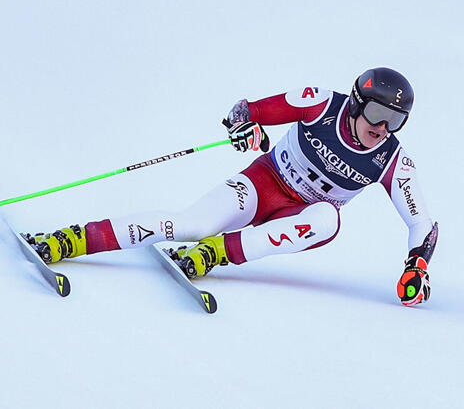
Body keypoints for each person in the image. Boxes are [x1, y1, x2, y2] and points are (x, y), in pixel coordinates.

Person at [29, 67, 438, 306]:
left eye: (396, 120)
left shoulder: (392, 159)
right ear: (356, 103)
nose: (383, 128)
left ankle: (215, 253)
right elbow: (246, 109)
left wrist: (416, 266)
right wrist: (244, 126)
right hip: (263, 184)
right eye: (378, 113)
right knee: (190, 225)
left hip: (300, 215)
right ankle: (72, 240)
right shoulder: (319, 103)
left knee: (328, 219)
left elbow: (422, 222)